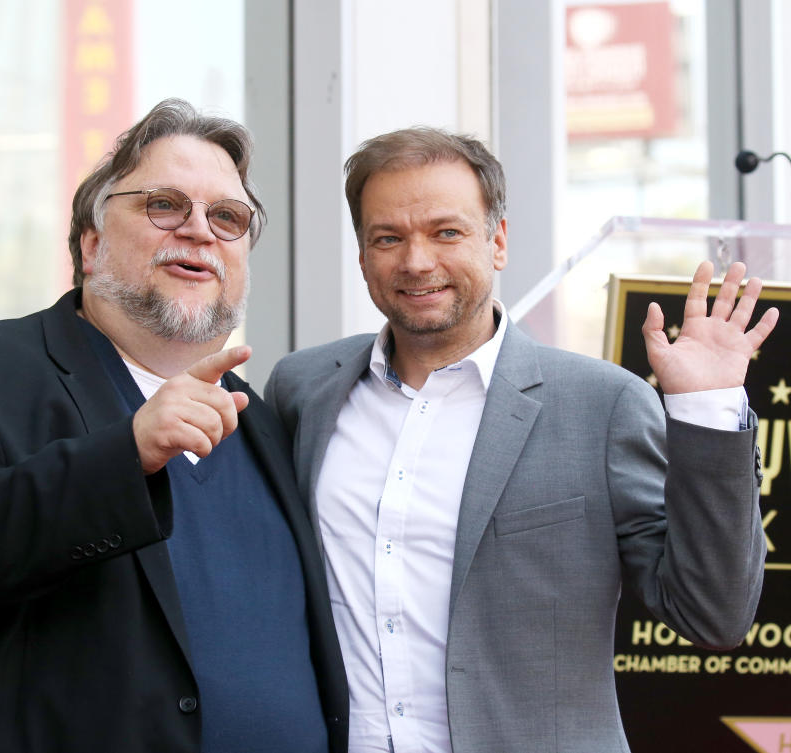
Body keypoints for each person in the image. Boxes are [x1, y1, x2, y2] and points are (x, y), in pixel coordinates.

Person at [0, 98, 348, 753]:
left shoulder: (265, 423)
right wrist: (125, 456)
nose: (198, 230)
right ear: (92, 242)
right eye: (164, 204)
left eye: (227, 216)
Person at [265, 127, 777, 753]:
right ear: (364, 255)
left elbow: (712, 615)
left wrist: (707, 408)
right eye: (388, 238)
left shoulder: (602, 405)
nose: (416, 261)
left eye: (446, 232)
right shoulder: (302, 390)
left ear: (498, 240)